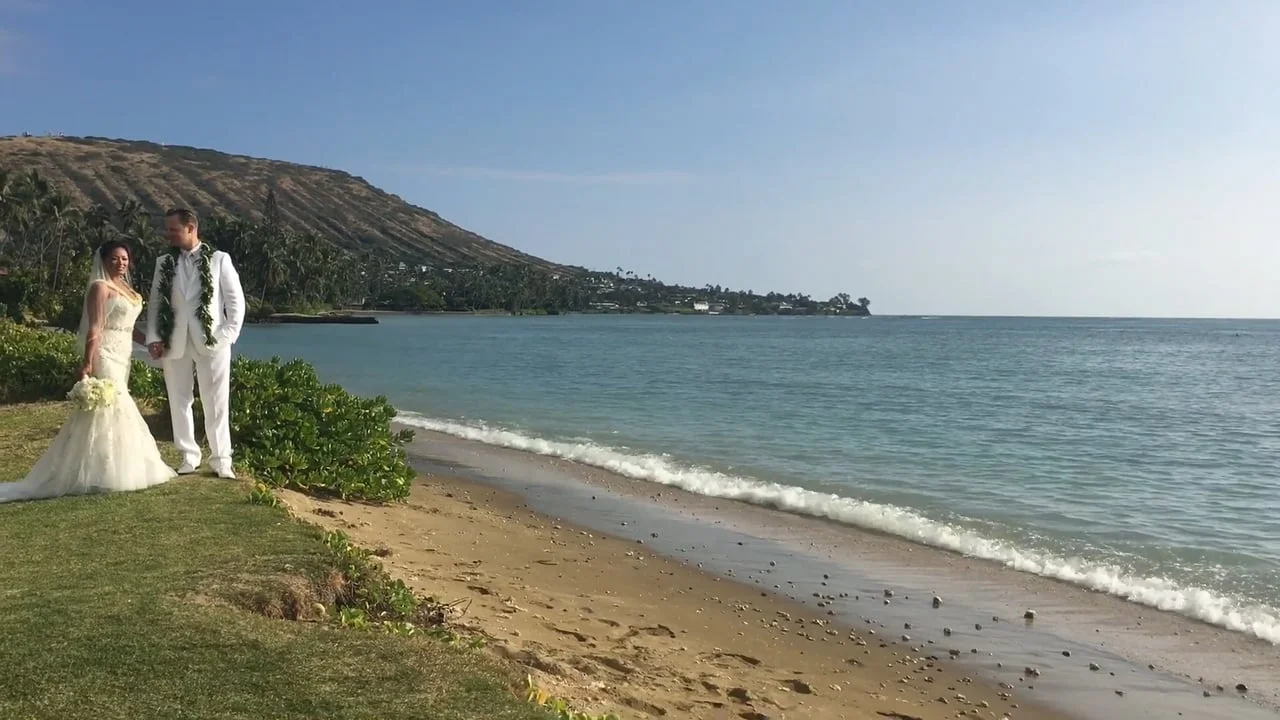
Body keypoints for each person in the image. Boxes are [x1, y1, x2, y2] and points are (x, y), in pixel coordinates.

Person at [0, 241, 177, 503]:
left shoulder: (126, 288)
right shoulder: (100, 288)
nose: (121, 263)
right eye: (115, 258)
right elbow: (95, 328)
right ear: (104, 260)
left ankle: (108, 466)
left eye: (125, 259)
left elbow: (128, 327)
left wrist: (149, 344)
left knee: (113, 407)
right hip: (105, 354)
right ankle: (99, 470)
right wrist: (87, 362)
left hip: (123, 354)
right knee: (110, 406)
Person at [144, 207, 245, 479]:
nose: (168, 234)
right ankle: (189, 455)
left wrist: (227, 336)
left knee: (217, 401)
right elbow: (155, 303)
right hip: (173, 341)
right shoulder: (163, 262)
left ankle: (221, 459)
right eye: (167, 229)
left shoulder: (219, 259)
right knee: (179, 399)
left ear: (191, 228)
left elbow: (235, 303)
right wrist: (154, 337)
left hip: (213, 341)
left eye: (173, 229)